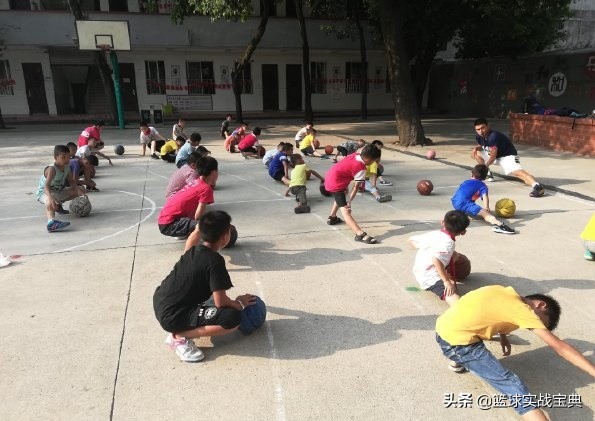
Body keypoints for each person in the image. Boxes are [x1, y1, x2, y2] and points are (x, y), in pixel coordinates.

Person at [435, 285, 595, 420]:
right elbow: (559, 346)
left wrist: (503, 336)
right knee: (512, 384)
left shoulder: (506, 292)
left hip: (444, 328)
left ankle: (458, 359)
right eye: (540, 322)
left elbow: (493, 312)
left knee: (469, 327)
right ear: (541, 305)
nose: (536, 325)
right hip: (457, 344)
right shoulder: (522, 310)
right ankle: (460, 357)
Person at [153, 210, 257, 362]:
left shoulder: (194, 250)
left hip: (160, 301)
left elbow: (190, 241)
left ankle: (186, 324)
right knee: (232, 318)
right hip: (173, 317)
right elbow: (221, 302)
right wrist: (239, 303)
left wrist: (198, 229)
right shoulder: (215, 262)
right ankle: (179, 337)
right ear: (224, 237)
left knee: (208, 289)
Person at [408, 210, 470, 305]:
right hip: (430, 277)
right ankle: (463, 312)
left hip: (420, 269)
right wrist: (446, 282)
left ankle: (447, 271)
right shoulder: (448, 244)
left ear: (442, 222)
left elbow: (410, 240)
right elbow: (436, 259)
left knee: (456, 255)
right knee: (453, 296)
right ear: (463, 232)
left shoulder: (435, 234)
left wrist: (426, 252)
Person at [472, 118, 545, 197]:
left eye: (483, 128)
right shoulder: (479, 137)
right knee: (478, 153)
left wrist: (483, 168)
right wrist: (476, 148)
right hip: (497, 156)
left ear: (488, 126)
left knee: (518, 174)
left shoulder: (493, 136)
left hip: (508, 157)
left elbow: (493, 157)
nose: (480, 131)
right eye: (478, 129)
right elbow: (483, 145)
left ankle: (537, 187)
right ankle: (488, 174)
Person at [324, 144, 381, 244]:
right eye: (374, 161)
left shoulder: (356, 155)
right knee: (345, 210)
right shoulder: (361, 168)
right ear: (369, 160)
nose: (374, 163)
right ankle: (359, 234)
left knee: (341, 195)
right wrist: (349, 202)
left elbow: (346, 168)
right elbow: (356, 187)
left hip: (332, 176)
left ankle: (332, 217)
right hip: (335, 183)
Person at [157, 156, 218, 239]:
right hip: (169, 224)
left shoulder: (195, 182)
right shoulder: (206, 188)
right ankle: (190, 250)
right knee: (209, 227)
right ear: (214, 172)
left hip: (164, 219)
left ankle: (184, 230)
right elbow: (198, 216)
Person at [451, 164, 515, 234]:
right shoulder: (482, 185)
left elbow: (462, 193)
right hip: (464, 204)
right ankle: (499, 225)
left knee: (471, 198)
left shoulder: (466, 182)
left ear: (472, 173)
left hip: (455, 202)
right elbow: (485, 196)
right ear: (485, 177)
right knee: (485, 214)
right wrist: (486, 207)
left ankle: (463, 212)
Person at [35, 145, 85, 232]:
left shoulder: (67, 167)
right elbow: (46, 186)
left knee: (81, 190)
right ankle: (51, 223)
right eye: (63, 157)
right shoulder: (52, 169)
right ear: (55, 157)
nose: (66, 159)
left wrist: (78, 190)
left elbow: (72, 181)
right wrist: (50, 198)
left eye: (68, 157)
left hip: (57, 191)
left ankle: (58, 206)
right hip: (44, 192)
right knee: (50, 200)